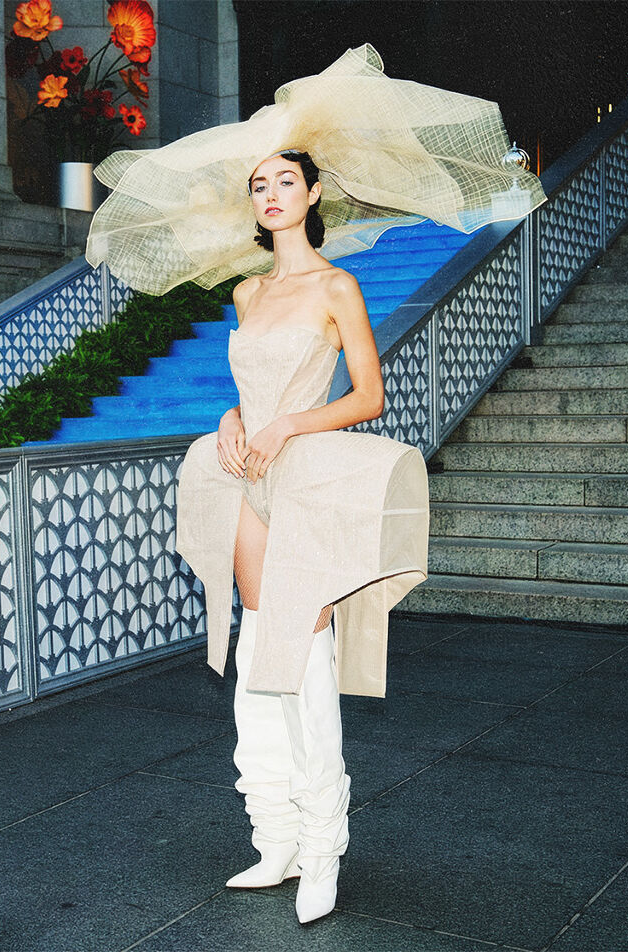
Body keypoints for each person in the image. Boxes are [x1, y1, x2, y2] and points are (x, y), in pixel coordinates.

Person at [85, 45, 545, 925]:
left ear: (312, 193)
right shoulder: (247, 295)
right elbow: (248, 388)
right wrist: (232, 420)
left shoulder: (337, 287)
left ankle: (325, 849)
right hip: (243, 474)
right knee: (259, 654)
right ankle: (276, 837)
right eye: (258, 185)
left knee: (304, 661)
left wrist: (290, 424)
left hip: (308, 478)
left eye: (284, 182)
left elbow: (369, 396)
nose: (270, 195)